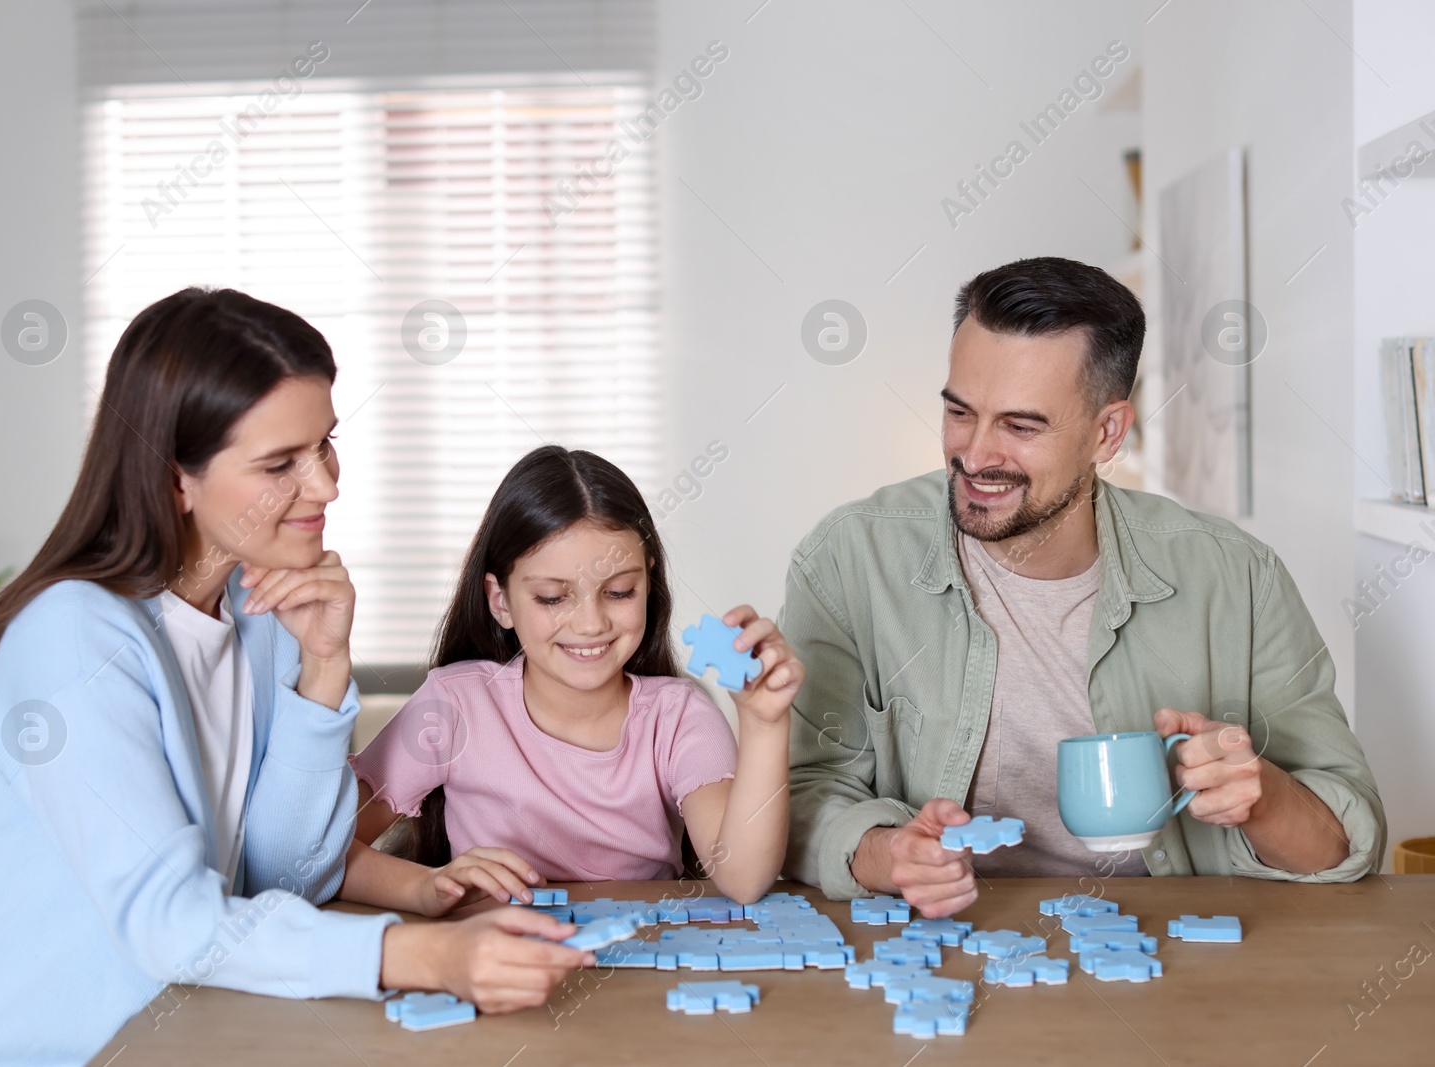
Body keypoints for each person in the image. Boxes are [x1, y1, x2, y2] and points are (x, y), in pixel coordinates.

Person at [0, 289, 592, 1067]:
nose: (325, 485)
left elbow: (286, 878)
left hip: (176, 1035)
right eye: (281, 463)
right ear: (174, 476)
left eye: (325, 444)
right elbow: (170, 921)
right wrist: (425, 956)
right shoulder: (71, 636)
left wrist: (322, 670)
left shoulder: (259, 614)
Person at [782, 256, 1386, 916]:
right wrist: (885, 853)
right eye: (960, 412)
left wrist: (1261, 795)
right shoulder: (848, 557)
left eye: (1021, 425)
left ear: (1107, 433)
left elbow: (1346, 842)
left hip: (1170, 952)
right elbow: (800, 792)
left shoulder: (1238, 577)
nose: (976, 454)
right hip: (939, 942)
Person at [339, 445, 802, 912]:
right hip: (489, 962)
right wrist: (424, 887)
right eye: (552, 597)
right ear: (500, 601)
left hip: (639, 962)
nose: (589, 624)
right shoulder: (454, 706)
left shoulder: (679, 716)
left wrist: (765, 725)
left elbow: (742, 878)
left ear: (648, 584)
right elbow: (317, 852)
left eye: (619, 591)